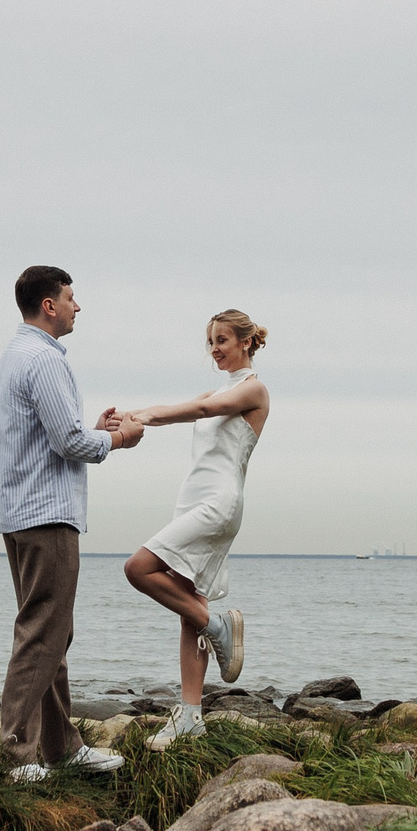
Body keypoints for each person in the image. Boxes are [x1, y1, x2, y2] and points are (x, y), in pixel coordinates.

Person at [0, 264, 142, 783]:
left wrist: (89, 430)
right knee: (42, 633)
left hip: (21, 511)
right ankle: (16, 755)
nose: (79, 306)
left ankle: (61, 748)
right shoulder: (43, 359)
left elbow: (56, 434)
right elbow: (70, 443)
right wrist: (118, 439)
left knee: (52, 632)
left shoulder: (15, 356)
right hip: (46, 515)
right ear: (49, 305)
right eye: (72, 298)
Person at [113, 309, 270, 750]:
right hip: (193, 500)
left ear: (245, 342)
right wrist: (131, 416)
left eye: (222, 340)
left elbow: (201, 410)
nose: (215, 349)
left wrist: (143, 416)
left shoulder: (253, 389)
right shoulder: (218, 390)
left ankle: (218, 626)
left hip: (219, 503)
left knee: (138, 568)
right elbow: (180, 410)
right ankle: (191, 716)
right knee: (188, 606)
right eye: (211, 342)